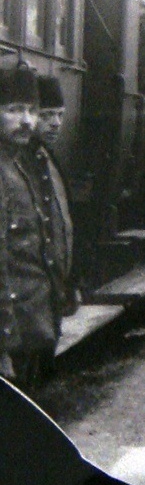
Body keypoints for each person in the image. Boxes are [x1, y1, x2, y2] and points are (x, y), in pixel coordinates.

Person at [0, 67, 57, 390]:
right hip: (13, 340)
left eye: (32, 111)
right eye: (14, 110)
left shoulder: (17, 165)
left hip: (32, 331)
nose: (27, 121)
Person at [28, 75, 74, 316]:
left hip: (50, 293)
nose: (55, 123)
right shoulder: (19, 164)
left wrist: (69, 283)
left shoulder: (49, 158)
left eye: (59, 115)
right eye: (45, 115)